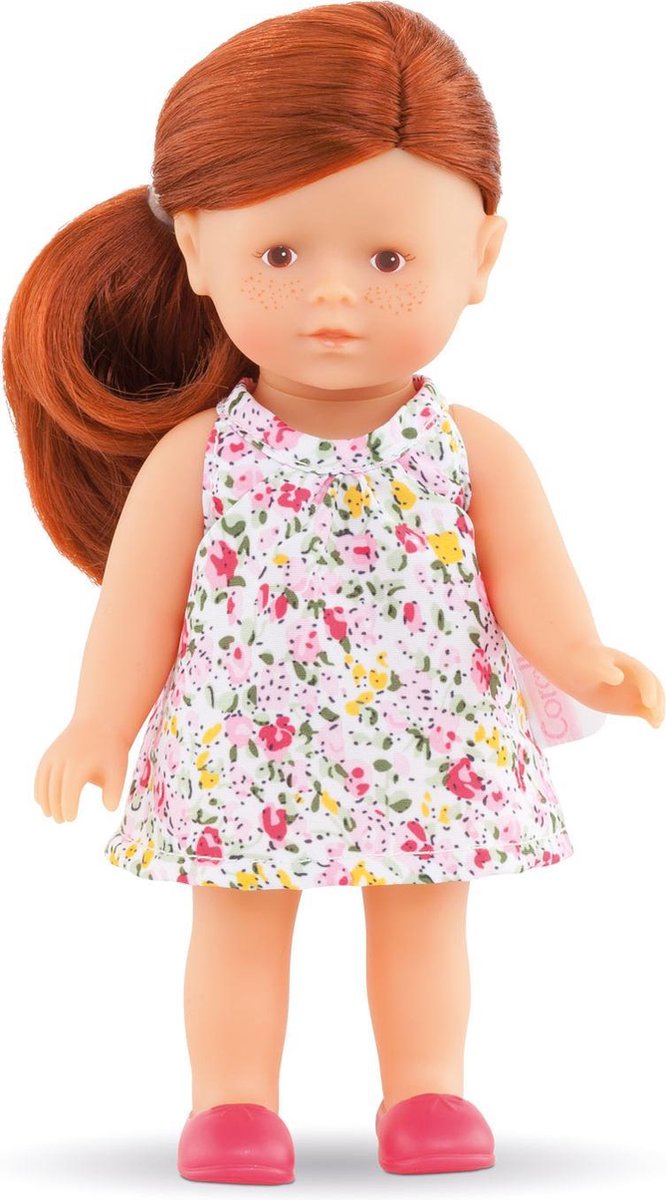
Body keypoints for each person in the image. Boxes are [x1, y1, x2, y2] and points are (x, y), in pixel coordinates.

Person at [4, 1, 663, 1186]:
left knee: (424, 917)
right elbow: (140, 610)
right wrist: (99, 722)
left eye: (389, 259)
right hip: (244, 737)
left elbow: (530, 587)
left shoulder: (469, 450)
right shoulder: (203, 456)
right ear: (197, 250)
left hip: (427, 736)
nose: (334, 298)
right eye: (280, 255)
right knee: (238, 919)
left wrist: (590, 664)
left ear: (482, 260)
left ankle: (426, 1093)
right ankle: (232, 1107)